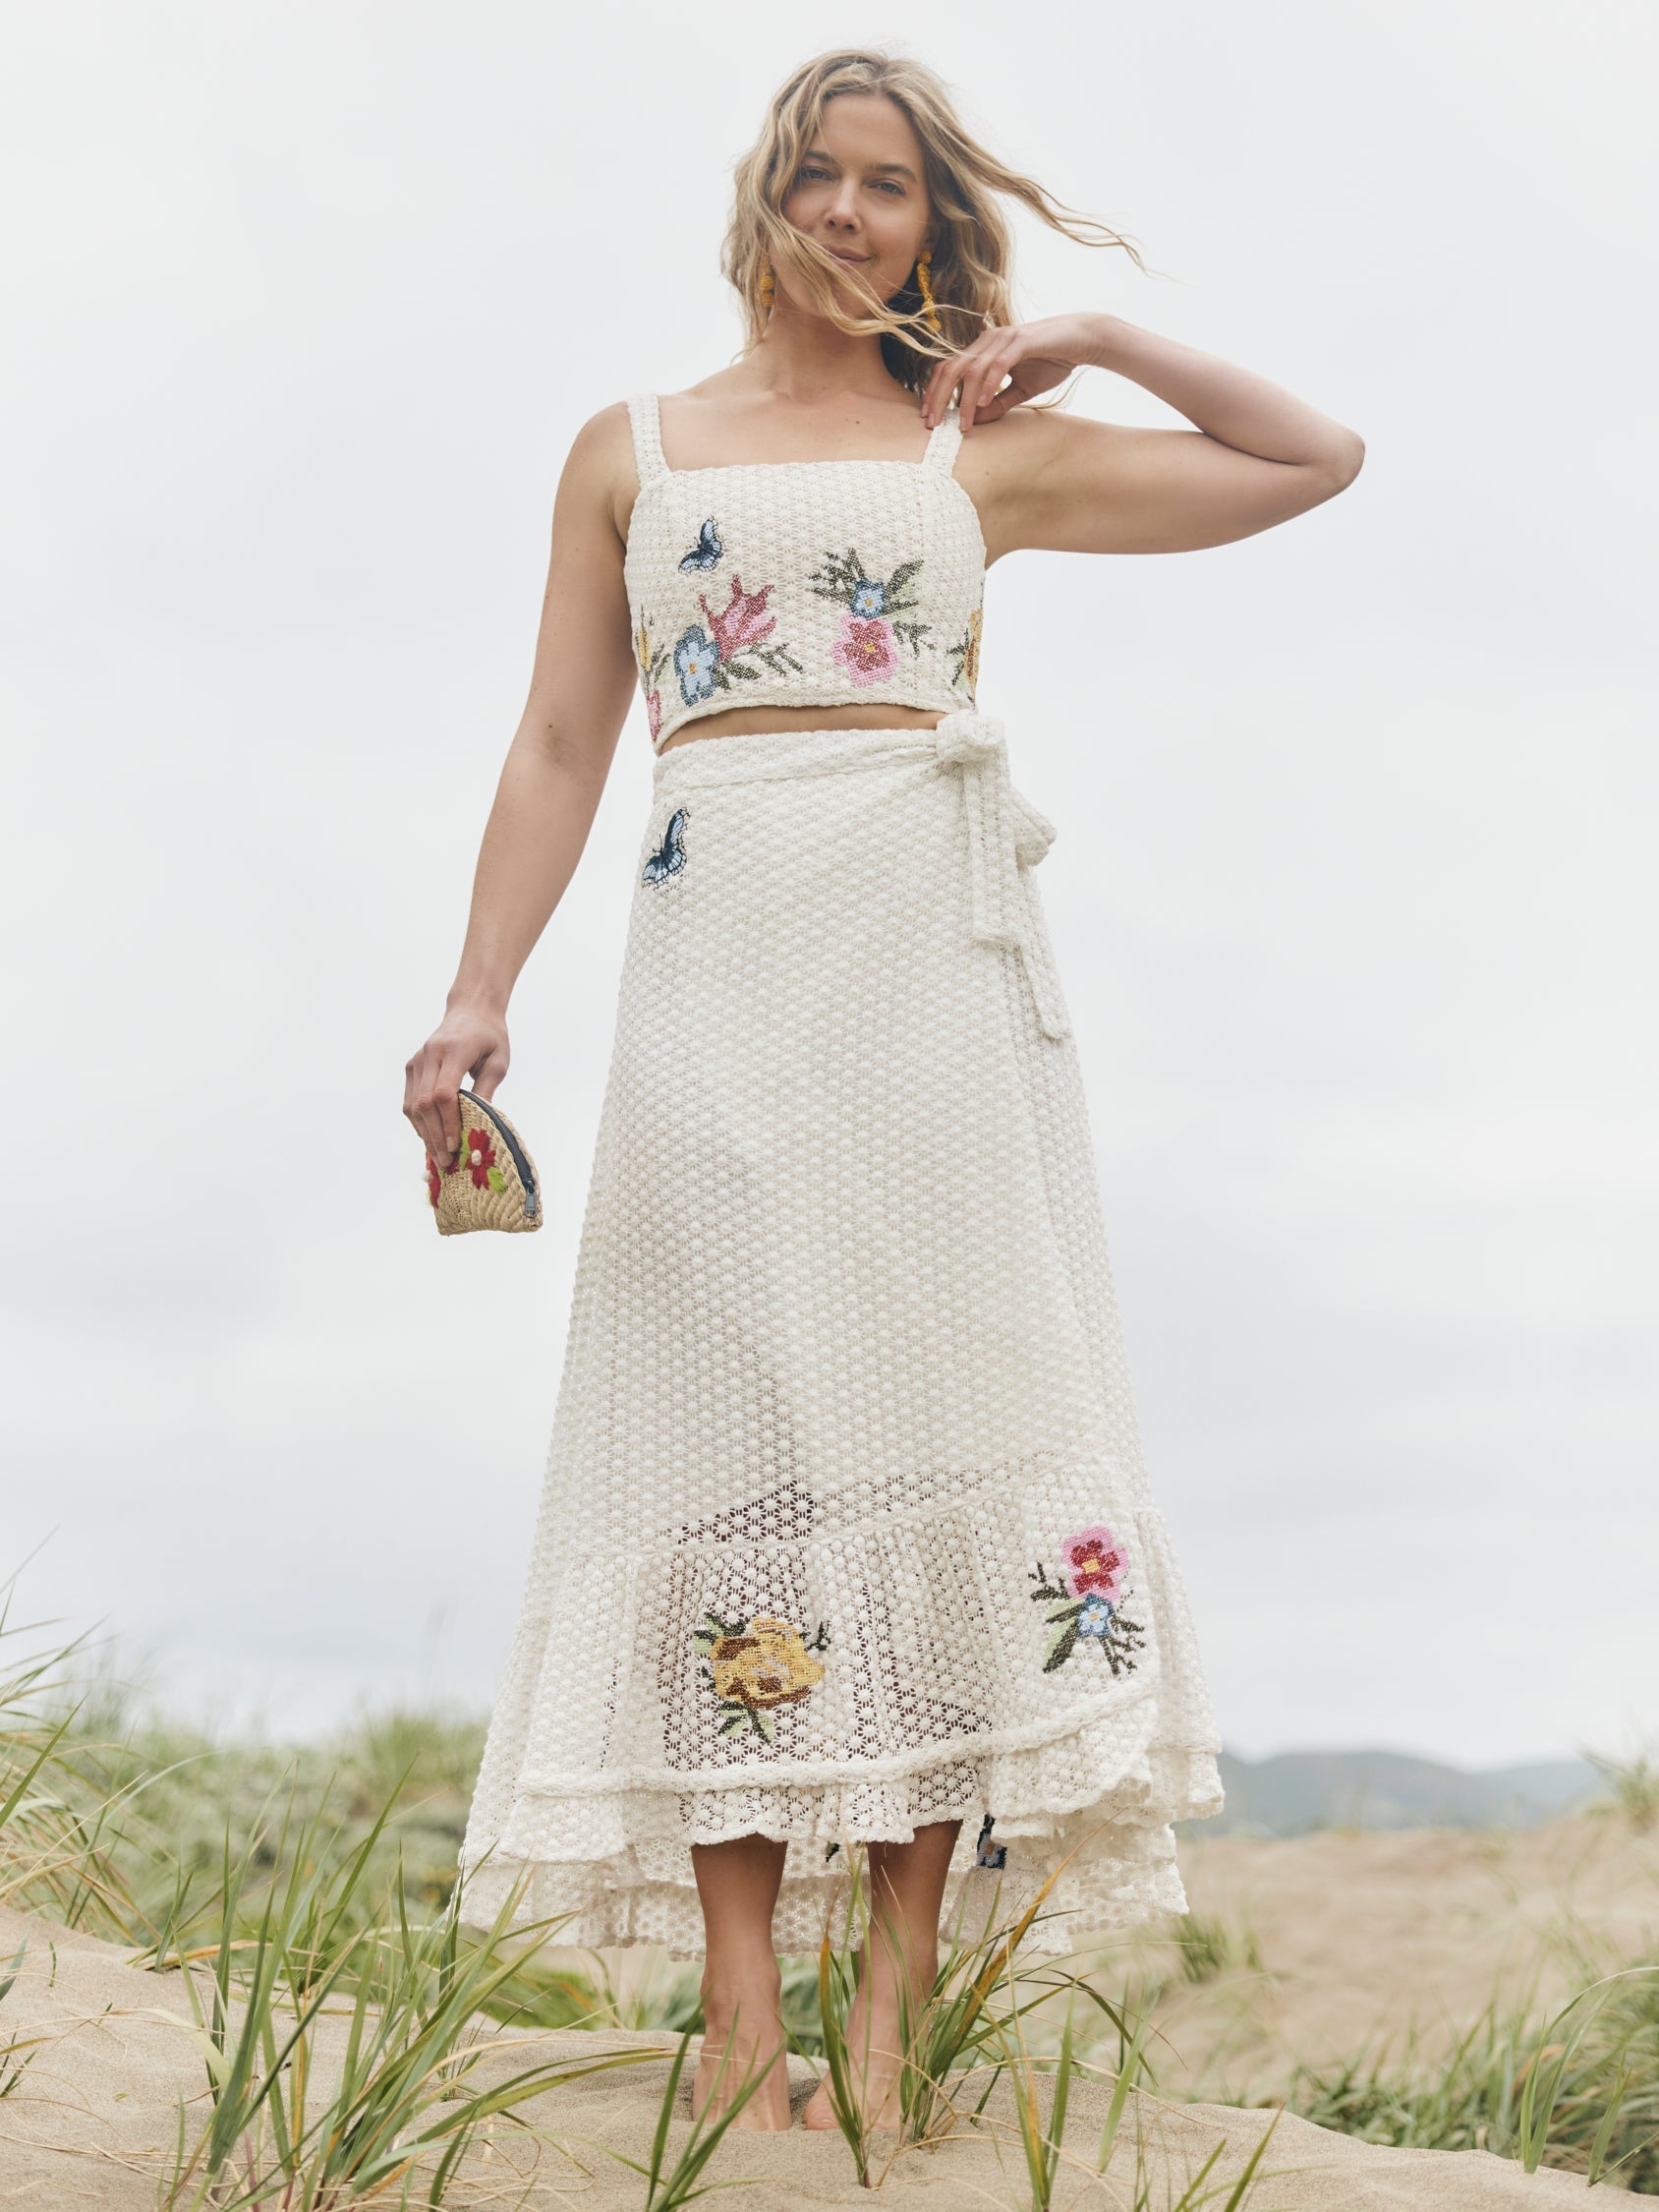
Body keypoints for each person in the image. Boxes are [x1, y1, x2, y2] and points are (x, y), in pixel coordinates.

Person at [403, 48, 1362, 2135]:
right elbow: (564, 744)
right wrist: (480, 991)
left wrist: (1087, 333)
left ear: (932, 227)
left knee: (930, 1448)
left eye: (891, 192)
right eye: (821, 179)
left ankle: (896, 1988)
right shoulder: (627, 452)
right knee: (729, 1457)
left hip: (927, 988)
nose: (851, 217)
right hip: (713, 971)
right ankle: (743, 2000)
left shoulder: (967, 457)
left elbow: (1315, 458)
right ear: (761, 193)